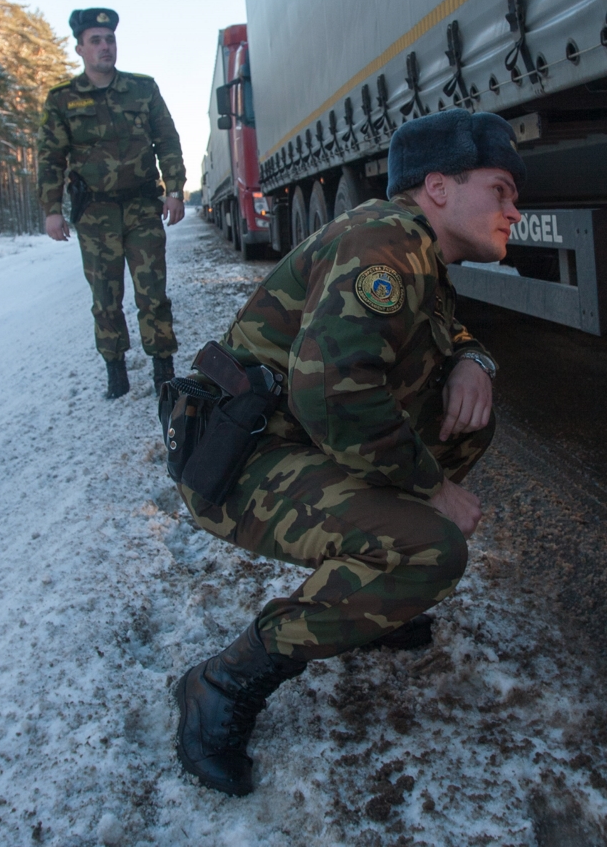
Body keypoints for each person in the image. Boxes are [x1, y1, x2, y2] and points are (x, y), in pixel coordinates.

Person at [173, 107, 525, 797]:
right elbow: (332, 396)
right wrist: (431, 490)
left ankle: (371, 603)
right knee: (431, 547)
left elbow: (447, 337)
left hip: (288, 443)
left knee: (467, 419)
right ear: (439, 188)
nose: (515, 208)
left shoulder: (415, 248)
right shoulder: (383, 241)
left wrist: (474, 363)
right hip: (241, 463)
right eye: (501, 189)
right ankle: (220, 682)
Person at [37, 7, 186, 398]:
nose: (105, 47)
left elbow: (166, 140)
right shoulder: (62, 100)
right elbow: (51, 158)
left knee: (153, 294)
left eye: (110, 39)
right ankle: (116, 372)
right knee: (105, 298)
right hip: (95, 215)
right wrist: (52, 209)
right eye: (96, 41)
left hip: (141, 208)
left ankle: (163, 370)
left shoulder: (143, 89)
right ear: (80, 49)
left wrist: (174, 189)